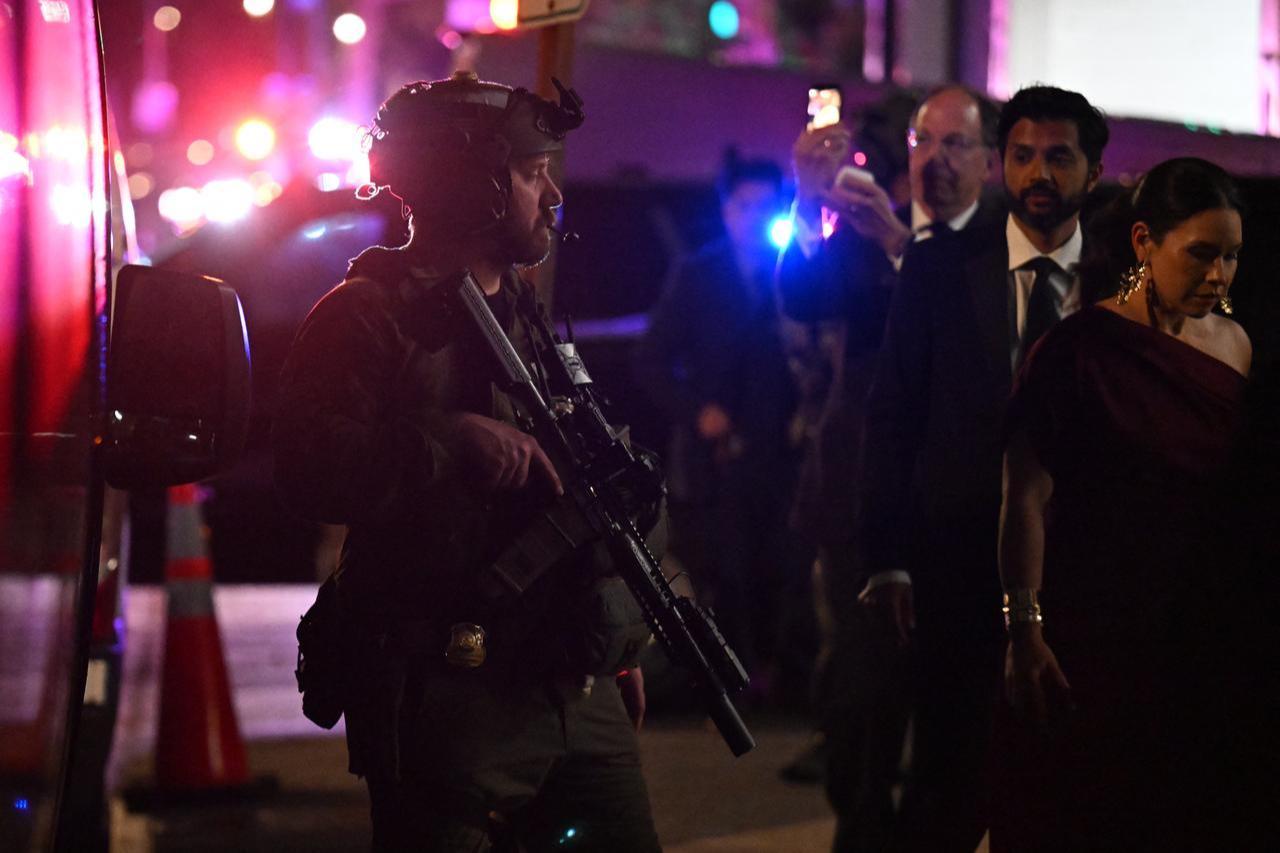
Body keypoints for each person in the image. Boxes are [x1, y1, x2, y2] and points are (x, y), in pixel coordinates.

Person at [272, 72, 661, 852]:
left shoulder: (522, 308)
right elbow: (308, 467)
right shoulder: (365, 315)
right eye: (528, 171)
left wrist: (610, 631)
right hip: (445, 689)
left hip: (566, 683)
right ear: (467, 181)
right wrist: (448, 438)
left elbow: (575, 475)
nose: (549, 193)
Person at [857, 85, 1108, 850]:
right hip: (954, 560)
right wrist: (889, 559)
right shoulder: (939, 267)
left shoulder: (1117, 278)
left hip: (1081, 565)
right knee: (949, 779)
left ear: (1092, 172)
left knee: (1065, 783)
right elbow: (893, 414)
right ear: (1002, 164)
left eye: (1059, 158)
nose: (1039, 174)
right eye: (1023, 156)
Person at [995, 157, 1255, 850]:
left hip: (1199, 627)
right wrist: (1025, 627)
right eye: (1201, 254)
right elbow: (1024, 490)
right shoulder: (1078, 351)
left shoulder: (1234, 347)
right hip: (1094, 624)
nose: (1219, 275)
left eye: (1231, 257)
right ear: (1145, 242)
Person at [777, 84, 1000, 851]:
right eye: (922, 142)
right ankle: (862, 829)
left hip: (959, 510)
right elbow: (802, 297)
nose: (935, 161)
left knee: (951, 713)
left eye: (955, 144)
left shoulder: (996, 242)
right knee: (860, 697)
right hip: (858, 496)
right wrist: (809, 205)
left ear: (989, 162)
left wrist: (903, 246)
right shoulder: (865, 229)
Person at [634, 151, 806, 692]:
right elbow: (652, 359)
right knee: (724, 572)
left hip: (783, 448)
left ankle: (780, 676)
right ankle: (732, 683)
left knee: (780, 567)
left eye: (765, 205)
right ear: (727, 210)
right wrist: (696, 411)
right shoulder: (699, 272)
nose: (754, 216)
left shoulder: (796, 271)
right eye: (744, 205)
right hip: (718, 454)